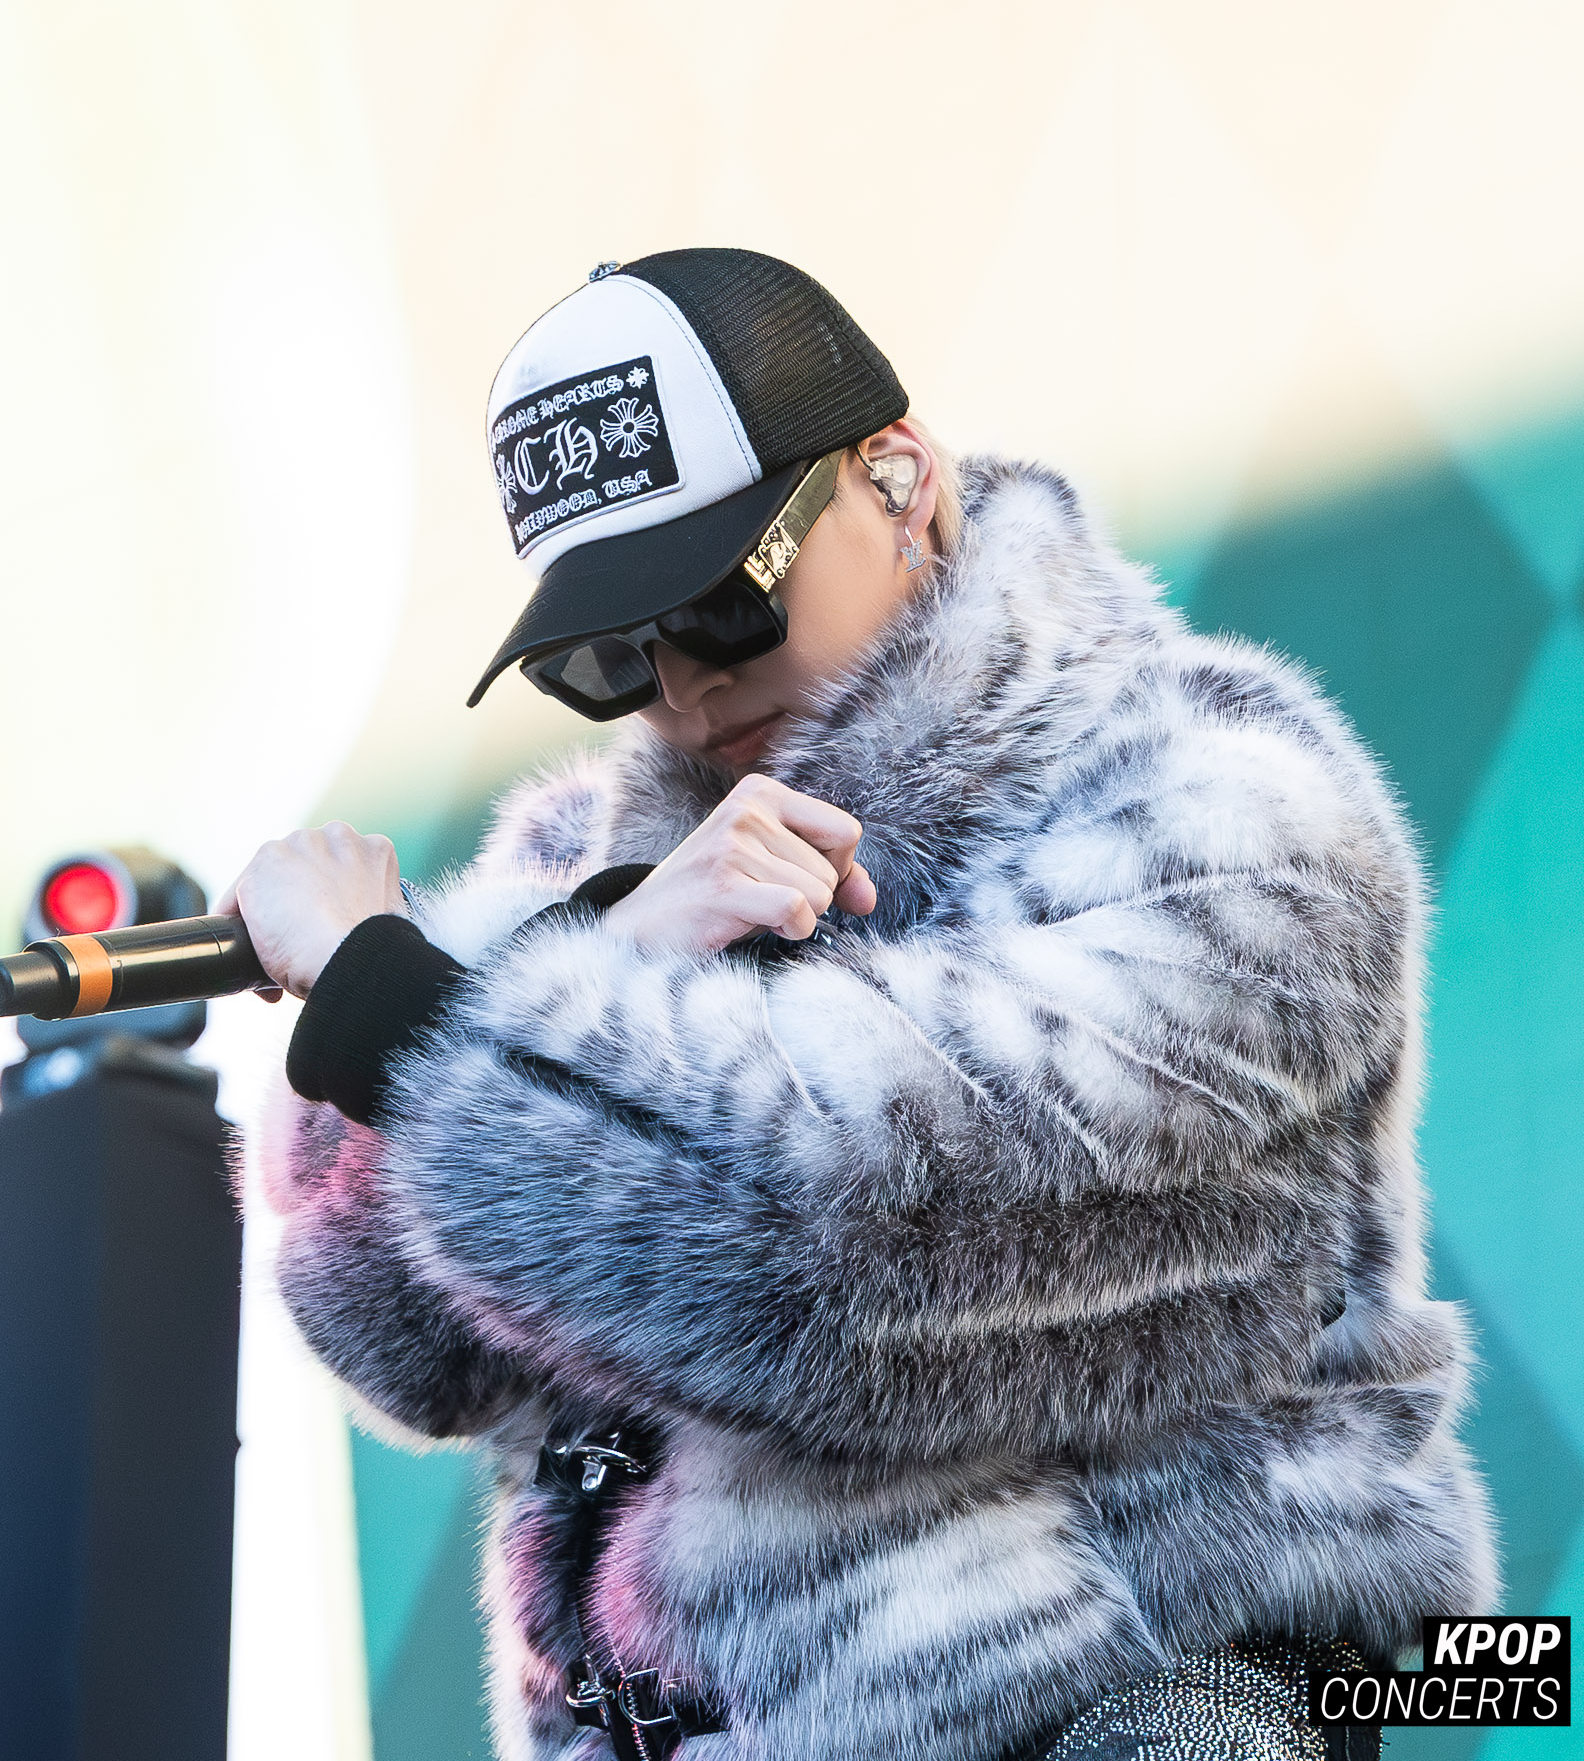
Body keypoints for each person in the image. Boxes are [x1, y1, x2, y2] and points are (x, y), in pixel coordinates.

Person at [237, 249, 1497, 1761]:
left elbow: (851, 1253)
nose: (682, 691)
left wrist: (413, 1010)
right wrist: (607, 944)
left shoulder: (1215, 792)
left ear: (899, 479)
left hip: (1140, 1699)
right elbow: (399, 1339)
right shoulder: (582, 868)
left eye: (719, 604)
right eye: (608, 656)